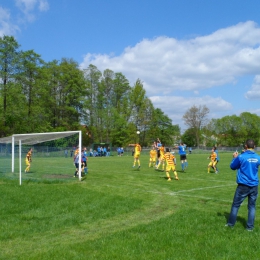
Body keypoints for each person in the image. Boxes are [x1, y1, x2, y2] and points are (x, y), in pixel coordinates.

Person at [226, 139, 260, 231]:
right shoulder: (258, 157)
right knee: (252, 206)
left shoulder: (241, 157)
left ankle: (230, 224)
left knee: (236, 205)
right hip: (254, 185)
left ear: (245, 146)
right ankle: (250, 227)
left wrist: (235, 157)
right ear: (254, 146)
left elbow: (232, 166)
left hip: (243, 185)